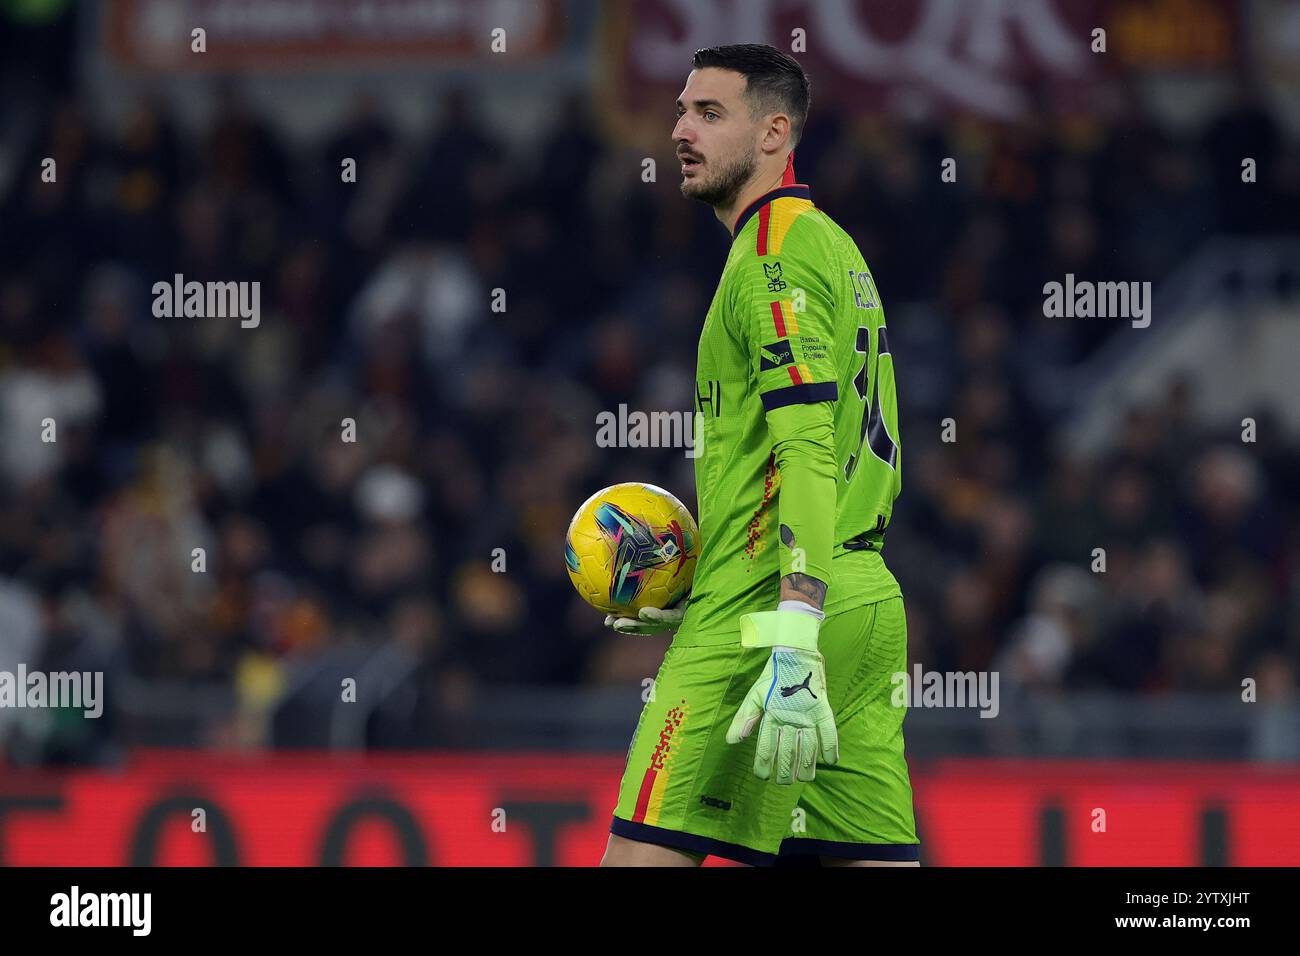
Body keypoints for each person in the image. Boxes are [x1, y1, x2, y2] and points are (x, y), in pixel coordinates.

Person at [601, 44, 918, 866]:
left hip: (769, 613)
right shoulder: (832, 247)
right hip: (867, 601)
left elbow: (808, 445)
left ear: (776, 133)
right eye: (679, 111)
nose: (680, 130)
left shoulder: (769, 256)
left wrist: (793, 628)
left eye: (709, 114)